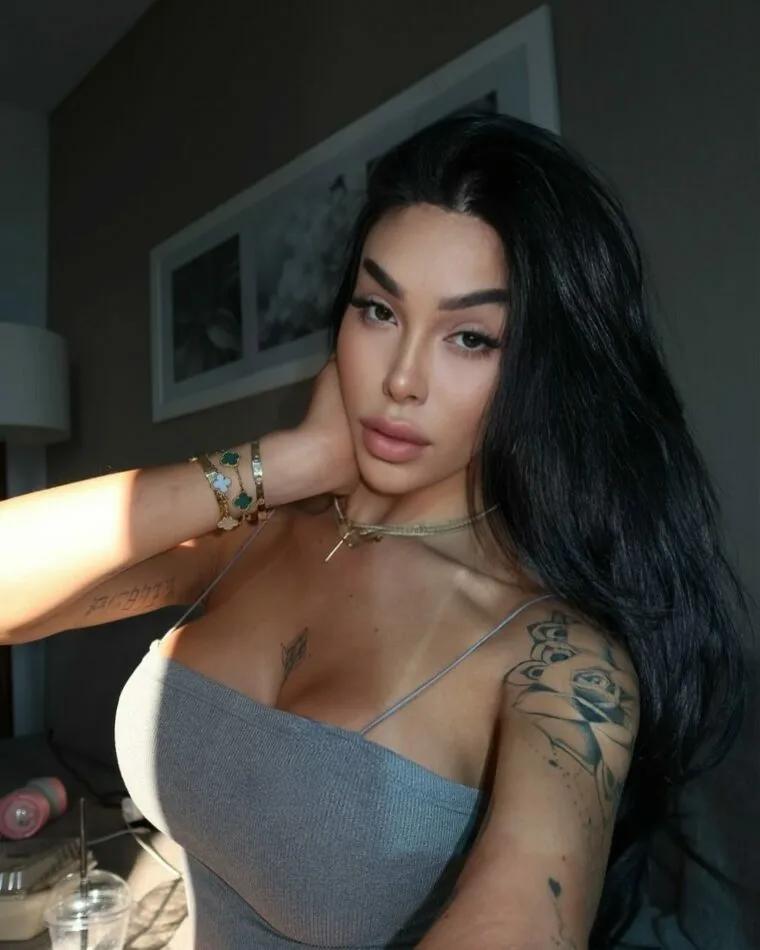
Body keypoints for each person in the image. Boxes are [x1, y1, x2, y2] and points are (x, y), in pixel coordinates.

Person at [0, 111, 750, 949]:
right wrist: (286, 462)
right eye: (380, 310)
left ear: (543, 373)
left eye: (471, 337)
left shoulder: (562, 662)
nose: (401, 379)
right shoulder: (257, 530)